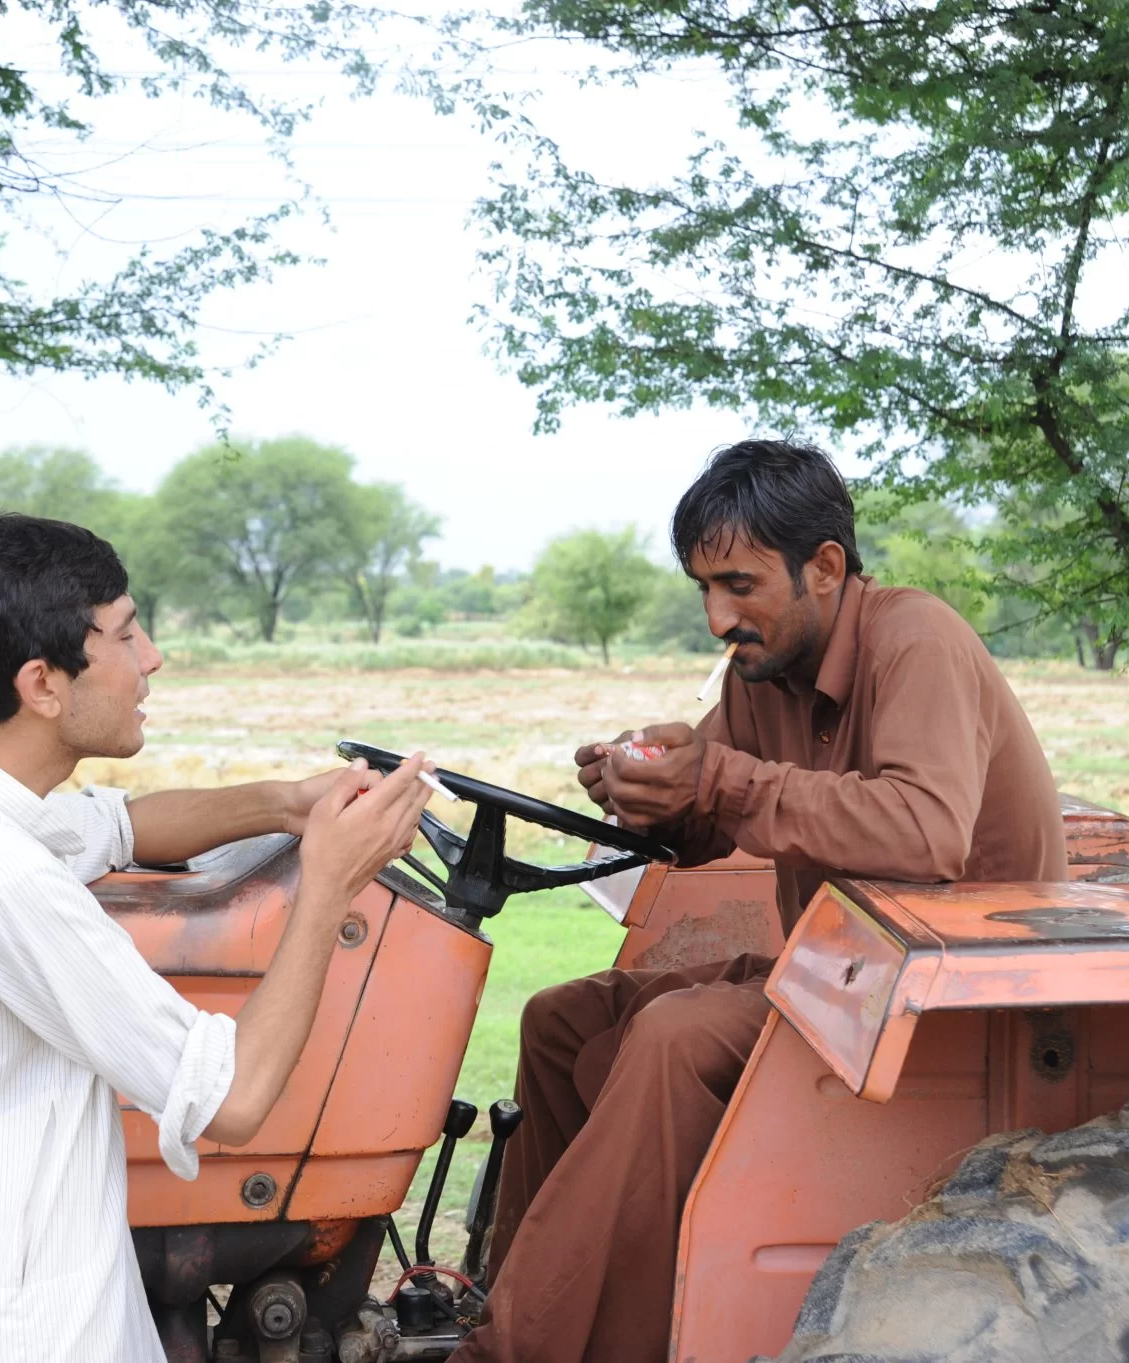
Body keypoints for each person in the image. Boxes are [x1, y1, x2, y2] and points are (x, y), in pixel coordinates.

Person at [451, 441, 1066, 1363]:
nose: (718, 619)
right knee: (560, 1022)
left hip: (946, 994)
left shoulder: (917, 639)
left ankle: (516, 1351)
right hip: (834, 975)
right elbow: (710, 814)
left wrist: (717, 779)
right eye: (704, 588)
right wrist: (643, 792)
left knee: (672, 1038)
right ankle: (535, 1310)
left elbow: (924, 830)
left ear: (825, 567)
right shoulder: (762, 672)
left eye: (739, 585)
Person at [0, 513, 433, 1362]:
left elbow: (123, 824)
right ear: (43, 684)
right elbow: (230, 1099)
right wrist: (328, 886)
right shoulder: (6, 882)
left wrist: (288, 802)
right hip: (27, 1337)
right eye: (126, 634)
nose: (152, 657)